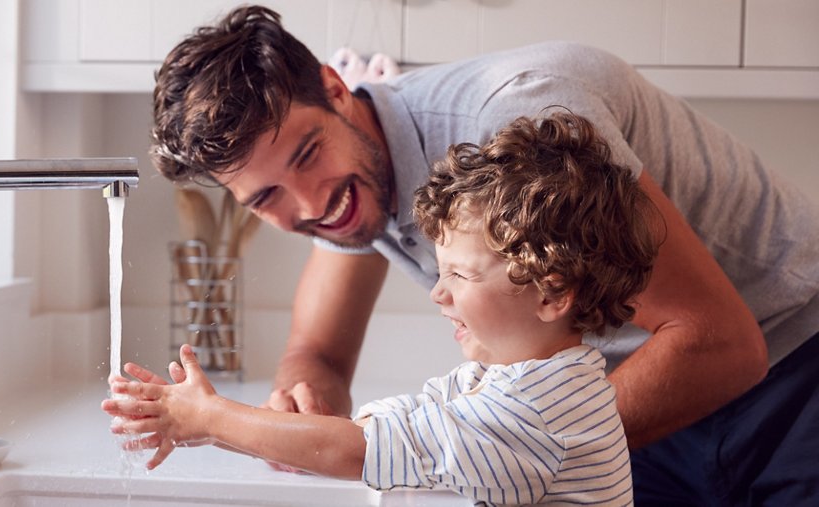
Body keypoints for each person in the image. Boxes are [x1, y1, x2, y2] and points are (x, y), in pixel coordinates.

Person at [147, 5, 819, 505]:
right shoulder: (346, 186)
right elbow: (318, 351)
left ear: (334, 88)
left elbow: (721, 343)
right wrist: (306, 396)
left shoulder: (515, 128)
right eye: (267, 197)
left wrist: (493, 446)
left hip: (790, 365)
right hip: (635, 391)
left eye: (306, 153)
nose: (311, 205)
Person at [105, 112, 652, 505]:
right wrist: (209, 430)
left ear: (553, 295)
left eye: (458, 275)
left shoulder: (536, 415)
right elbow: (393, 425)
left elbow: (363, 450)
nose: (438, 294)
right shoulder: (511, 381)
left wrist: (213, 414)